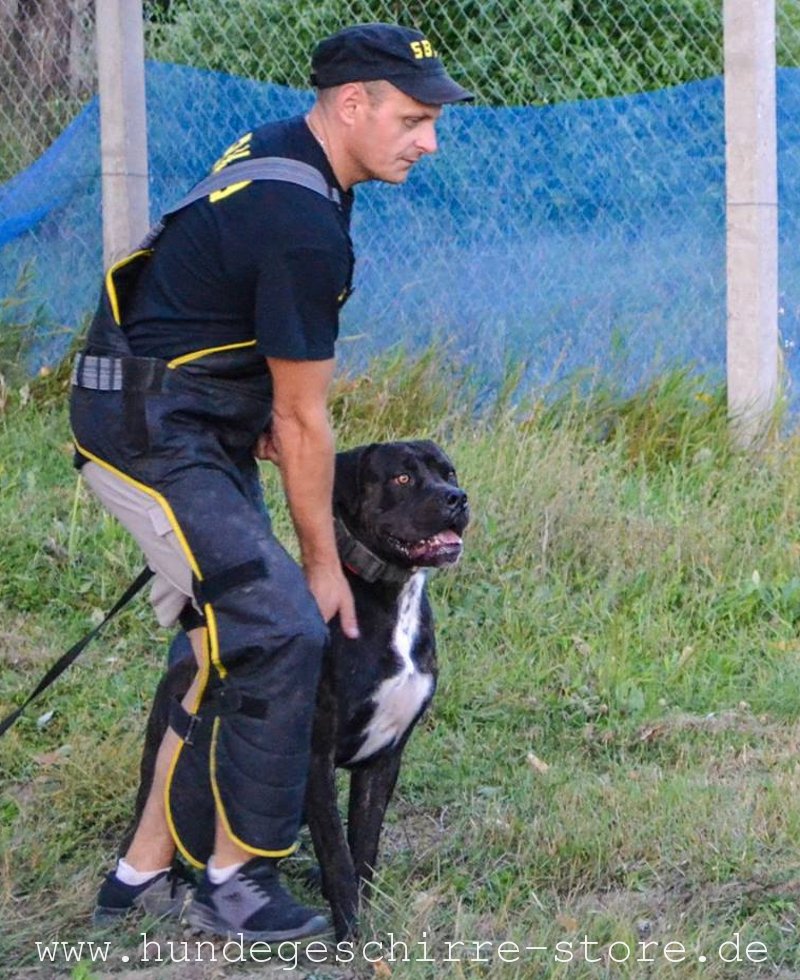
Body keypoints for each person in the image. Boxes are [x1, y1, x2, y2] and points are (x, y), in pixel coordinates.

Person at [69, 23, 472, 941]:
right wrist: (322, 564)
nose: (429, 142)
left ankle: (137, 876)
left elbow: (207, 305)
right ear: (352, 104)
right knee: (284, 627)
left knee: (213, 649)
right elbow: (302, 419)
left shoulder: (290, 156)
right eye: (413, 120)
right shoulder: (302, 224)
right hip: (150, 430)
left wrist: (234, 400)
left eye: (433, 123)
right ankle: (237, 881)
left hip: (182, 412)